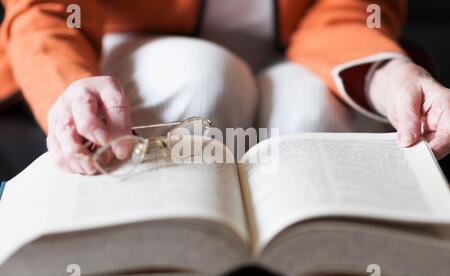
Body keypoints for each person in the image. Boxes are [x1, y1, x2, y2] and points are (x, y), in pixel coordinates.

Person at [0, 0, 449, 175]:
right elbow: (47, 8)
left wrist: (390, 76)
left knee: (311, 116)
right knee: (203, 81)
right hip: (121, 43)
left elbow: (350, 11)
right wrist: (69, 83)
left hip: (297, 52)